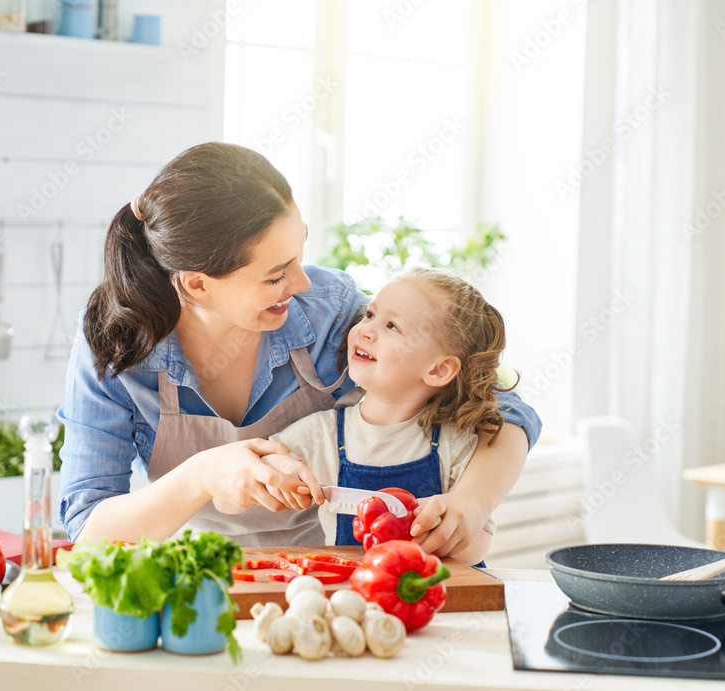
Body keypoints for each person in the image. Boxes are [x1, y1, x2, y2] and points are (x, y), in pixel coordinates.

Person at [57, 142, 541, 551]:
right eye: (275, 274)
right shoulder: (115, 345)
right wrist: (200, 476)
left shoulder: (330, 314)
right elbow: (88, 535)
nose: (302, 281)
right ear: (198, 285)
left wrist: (473, 505)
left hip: (325, 580)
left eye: (298, 253)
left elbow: (501, 407)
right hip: (199, 579)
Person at [265, 268, 508, 566]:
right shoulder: (321, 434)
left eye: (392, 326)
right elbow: (263, 464)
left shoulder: (456, 441)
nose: (365, 330)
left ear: (438, 370)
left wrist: (442, 532)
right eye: (369, 315)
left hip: (442, 601)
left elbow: (479, 547)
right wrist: (278, 470)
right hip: (351, 598)